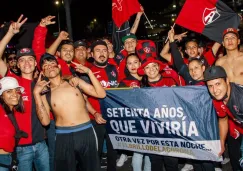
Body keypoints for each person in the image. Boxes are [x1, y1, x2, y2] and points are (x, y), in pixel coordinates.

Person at [33, 53, 106, 171]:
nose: (50, 66)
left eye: (52, 64)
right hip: (63, 136)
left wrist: (89, 72)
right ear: (42, 72)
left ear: (59, 67)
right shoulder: (44, 94)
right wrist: (36, 94)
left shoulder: (74, 82)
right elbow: (45, 122)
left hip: (86, 132)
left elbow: (101, 94)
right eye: (46, 66)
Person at [0, 15, 50, 171]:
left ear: (36, 63)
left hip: (42, 145)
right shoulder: (12, 81)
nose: (27, 63)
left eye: (30, 59)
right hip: (21, 148)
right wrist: (10, 34)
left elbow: (46, 122)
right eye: (22, 60)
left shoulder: (43, 84)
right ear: (17, 64)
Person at [204, 65, 243, 170]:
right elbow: (223, 119)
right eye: (210, 86)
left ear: (227, 80)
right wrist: (221, 143)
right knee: (236, 162)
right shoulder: (217, 98)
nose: (214, 90)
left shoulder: (240, 99)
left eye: (218, 84)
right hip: (238, 130)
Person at [0, 77, 25, 171]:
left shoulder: (12, 111)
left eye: (16, 90)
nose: (15, 94)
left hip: (10, 158)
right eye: (9, 91)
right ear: (1, 95)